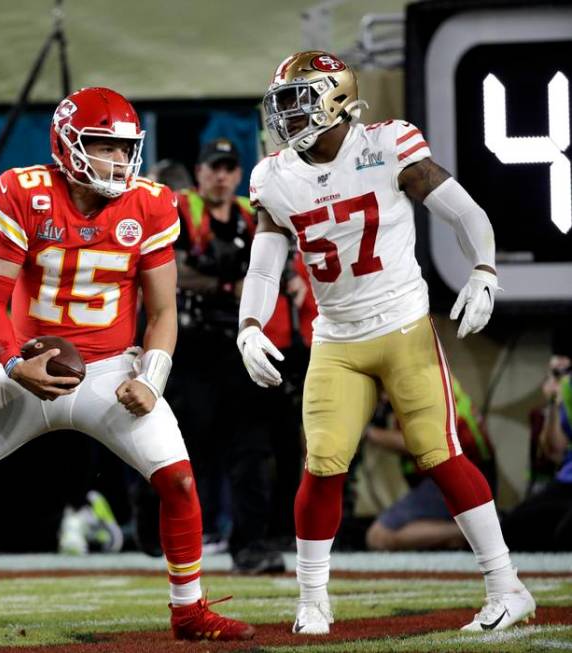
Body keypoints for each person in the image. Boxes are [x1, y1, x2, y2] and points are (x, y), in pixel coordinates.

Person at [0, 87, 254, 643]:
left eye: (124, 148)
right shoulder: (25, 192)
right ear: (67, 144)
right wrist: (14, 365)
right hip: (31, 363)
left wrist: (151, 380)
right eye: (104, 146)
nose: (118, 161)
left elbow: (162, 311)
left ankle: (189, 609)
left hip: (111, 368)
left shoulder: (151, 203)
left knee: (179, 481)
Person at [236, 50, 534, 635]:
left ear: (334, 97)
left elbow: (464, 210)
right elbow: (265, 268)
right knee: (321, 465)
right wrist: (249, 326)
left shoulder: (386, 145)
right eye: (282, 105)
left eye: (298, 102)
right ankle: (313, 600)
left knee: (438, 454)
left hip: (402, 326)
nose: (287, 117)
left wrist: (485, 271)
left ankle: (508, 587)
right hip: (337, 339)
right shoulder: (274, 176)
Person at [171, 138, 315, 574]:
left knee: (251, 449)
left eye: (229, 168)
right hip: (192, 350)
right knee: (180, 451)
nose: (221, 176)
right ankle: (167, 536)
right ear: (199, 172)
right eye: (214, 167)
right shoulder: (179, 210)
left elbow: (280, 269)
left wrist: (288, 282)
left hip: (238, 348)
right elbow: (174, 271)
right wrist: (230, 283)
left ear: (238, 174)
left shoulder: (252, 215)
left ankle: (250, 545)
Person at [365, 379, 495, 551]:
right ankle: (466, 531)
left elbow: (421, 443)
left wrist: (368, 433)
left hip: (455, 477)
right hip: (469, 475)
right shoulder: (429, 377)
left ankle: (477, 532)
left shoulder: (414, 387)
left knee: (378, 536)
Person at [501, 348, 572, 550]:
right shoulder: (568, 385)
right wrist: (554, 402)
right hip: (567, 482)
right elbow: (555, 452)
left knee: (563, 536)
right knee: (510, 529)